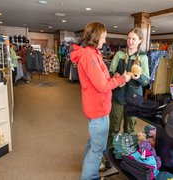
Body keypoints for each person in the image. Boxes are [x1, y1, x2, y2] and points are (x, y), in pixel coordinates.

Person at [70, 21, 131, 180]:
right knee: (98, 149)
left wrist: (115, 78)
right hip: (98, 108)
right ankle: (88, 175)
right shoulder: (90, 56)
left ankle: (86, 165)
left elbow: (100, 80)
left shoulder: (92, 54)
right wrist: (123, 78)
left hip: (96, 106)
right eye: (103, 37)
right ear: (96, 37)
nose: (105, 41)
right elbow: (103, 86)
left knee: (94, 141)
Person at [105, 27, 150, 167]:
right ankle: (109, 157)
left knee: (129, 130)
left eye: (134, 39)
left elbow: (147, 80)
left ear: (140, 41)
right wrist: (117, 77)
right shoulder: (119, 54)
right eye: (129, 38)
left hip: (134, 100)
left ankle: (126, 157)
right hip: (118, 97)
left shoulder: (143, 57)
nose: (130, 41)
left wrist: (139, 77)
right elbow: (110, 73)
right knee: (113, 129)